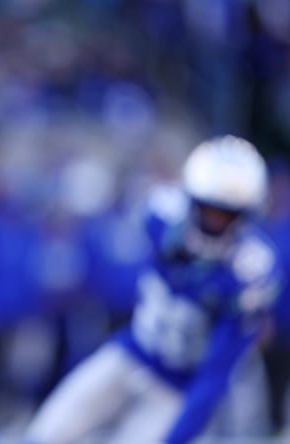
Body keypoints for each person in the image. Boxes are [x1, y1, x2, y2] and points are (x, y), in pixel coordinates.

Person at [22, 135, 285, 444]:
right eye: (208, 209)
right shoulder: (164, 213)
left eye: (226, 214)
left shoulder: (249, 272)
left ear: (247, 215)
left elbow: (216, 372)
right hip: (131, 351)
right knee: (47, 433)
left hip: (176, 386)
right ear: (191, 200)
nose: (215, 221)